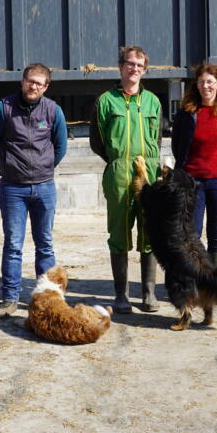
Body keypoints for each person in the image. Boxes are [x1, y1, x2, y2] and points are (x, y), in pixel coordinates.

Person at [0, 63, 68, 318]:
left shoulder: (53, 110)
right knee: (13, 245)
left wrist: (43, 169)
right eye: (30, 81)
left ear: (46, 86)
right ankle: (10, 299)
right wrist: (11, 167)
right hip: (13, 189)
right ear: (22, 81)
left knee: (45, 245)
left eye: (39, 83)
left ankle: (47, 298)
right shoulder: (3, 108)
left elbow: (60, 146)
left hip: (44, 187)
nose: (33, 86)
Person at [89, 45, 163, 314]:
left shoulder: (153, 101)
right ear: (121, 66)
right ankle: (121, 295)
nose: (134, 69)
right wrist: (118, 160)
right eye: (130, 64)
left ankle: (149, 293)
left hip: (149, 173)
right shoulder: (106, 101)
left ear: (145, 70)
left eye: (140, 66)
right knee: (119, 232)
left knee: (150, 232)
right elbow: (97, 141)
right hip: (119, 172)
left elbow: (156, 139)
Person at [170, 62, 217, 267]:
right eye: (201, 82)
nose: (206, 86)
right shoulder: (187, 113)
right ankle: (196, 278)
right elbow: (178, 146)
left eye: (210, 82)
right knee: (192, 233)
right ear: (197, 85)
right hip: (192, 181)